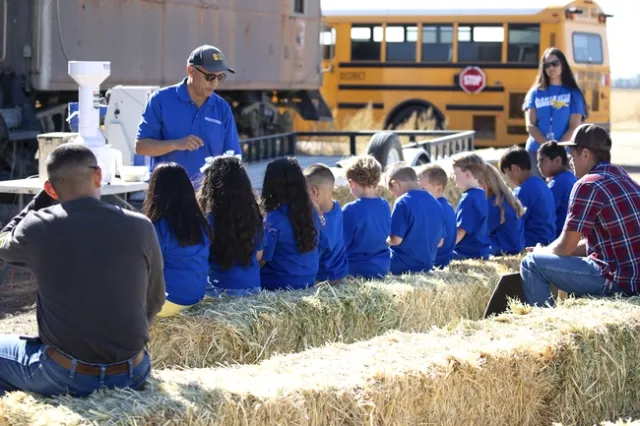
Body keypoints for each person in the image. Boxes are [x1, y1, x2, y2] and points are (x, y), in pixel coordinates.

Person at [0, 143, 165, 398]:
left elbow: (3, 242)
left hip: (67, 374)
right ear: (98, 175)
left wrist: (40, 200)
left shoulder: (38, 227)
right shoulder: (141, 226)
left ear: (50, 189)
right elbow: (155, 299)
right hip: (133, 371)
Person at [520, 124, 640, 307]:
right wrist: (548, 249)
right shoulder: (624, 178)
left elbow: (566, 247)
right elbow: (597, 242)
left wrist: (541, 252)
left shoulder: (587, 184)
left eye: (571, 154)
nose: (569, 160)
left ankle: (546, 326)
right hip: (633, 278)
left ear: (585, 154)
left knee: (531, 264)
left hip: (615, 279)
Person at [135, 45, 242, 184]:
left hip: (207, 198)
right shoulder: (160, 100)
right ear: (191, 71)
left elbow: (233, 157)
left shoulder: (222, 108)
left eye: (220, 77)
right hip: (167, 195)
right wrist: (176, 144)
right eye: (210, 77)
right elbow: (141, 147)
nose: (215, 83)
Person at [144, 162, 211, 317]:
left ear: (155, 191)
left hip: (169, 302)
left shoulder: (158, 227)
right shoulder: (200, 222)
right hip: (196, 297)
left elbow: (144, 268)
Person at [198, 155, 265, 297]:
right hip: (252, 289)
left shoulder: (208, 220)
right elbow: (259, 255)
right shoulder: (254, 217)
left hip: (220, 290)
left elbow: (200, 259)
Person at [260, 157, 324, 291]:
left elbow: (263, 259)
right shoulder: (312, 212)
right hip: (308, 280)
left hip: (278, 284)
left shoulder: (273, 218)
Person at [523, 47, 586, 176]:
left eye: (555, 64)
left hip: (564, 155)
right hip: (536, 153)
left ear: (563, 65)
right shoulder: (534, 93)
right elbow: (530, 125)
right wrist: (548, 147)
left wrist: (557, 149)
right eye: (546, 65)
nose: (551, 68)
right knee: (538, 193)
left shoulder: (573, 94)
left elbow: (574, 126)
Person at [386, 162, 445, 275]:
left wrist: (384, 238)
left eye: (392, 192)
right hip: (427, 265)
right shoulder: (436, 202)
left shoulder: (402, 202)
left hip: (401, 265)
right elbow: (440, 242)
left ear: (395, 184)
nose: (394, 196)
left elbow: (395, 240)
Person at [342, 155, 391, 279]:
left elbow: (340, 245)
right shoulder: (385, 205)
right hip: (382, 268)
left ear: (351, 183)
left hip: (356, 269)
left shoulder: (350, 210)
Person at [500, 145, 557, 247]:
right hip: (548, 239)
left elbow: (511, 223)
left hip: (532, 242)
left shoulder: (523, 191)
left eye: (507, 175)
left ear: (514, 168)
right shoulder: (542, 184)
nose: (508, 180)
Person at [303, 163, 349, 284]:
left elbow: (310, 259)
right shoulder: (336, 206)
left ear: (313, 191)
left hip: (324, 280)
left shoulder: (318, 223)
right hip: (342, 273)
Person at [451, 153, 491, 260]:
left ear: (468, 174)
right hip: (481, 251)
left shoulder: (468, 198)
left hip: (467, 253)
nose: (453, 177)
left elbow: (461, 231)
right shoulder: (481, 194)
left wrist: (445, 248)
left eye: (456, 173)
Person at [481, 162, 526, 256]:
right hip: (515, 248)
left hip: (504, 250)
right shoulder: (505, 198)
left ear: (488, 183)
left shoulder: (495, 203)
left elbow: (478, 234)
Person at [417, 164, 457, 269]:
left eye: (423, 189)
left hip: (435, 261)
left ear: (438, 189)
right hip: (445, 259)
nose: (418, 193)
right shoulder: (447, 206)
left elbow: (432, 242)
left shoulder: (433, 210)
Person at [537, 141, 578, 237]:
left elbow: (542, 213)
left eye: (542, 160)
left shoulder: (558, 183)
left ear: (557, 161)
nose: (538, 165)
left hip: (559, 236)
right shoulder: (570, 177)